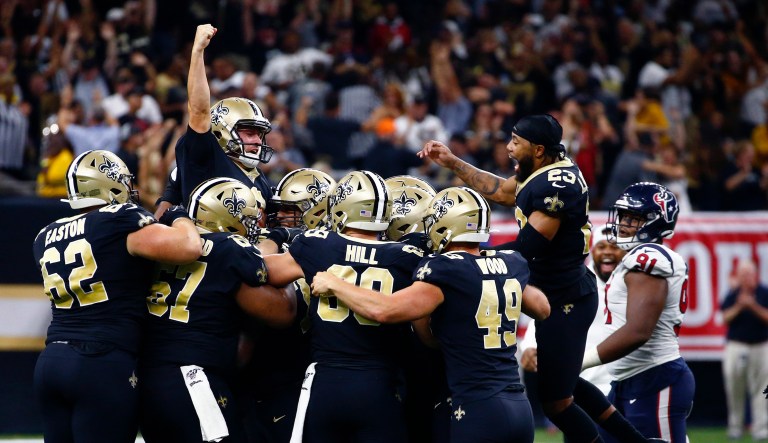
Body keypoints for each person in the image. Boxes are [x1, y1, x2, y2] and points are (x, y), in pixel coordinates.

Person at [310, 186, 551, 443]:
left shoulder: (444, 269)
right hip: (518, 403)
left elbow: (385, 310)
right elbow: (542, 308)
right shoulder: (508, 262)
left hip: (477, 407)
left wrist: (336, 284)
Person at [419, 114, 607, 442]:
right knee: (560, 392)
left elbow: (528, 246)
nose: (508, 147)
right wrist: (453, 163)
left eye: (516, 142)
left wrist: (468, 258)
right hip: (551, 290)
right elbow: (501, 191)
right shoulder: (541, 168)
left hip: (566, 295)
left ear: (537, 149)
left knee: (558, 401)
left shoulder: (555, 185)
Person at [32, 150, 202, 443]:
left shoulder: (44, 234)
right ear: (108, 184)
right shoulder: (120, 218)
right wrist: (180, 216)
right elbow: (188, 247)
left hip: (52, 359)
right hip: (101, 359)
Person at [263, 170, 422, 443]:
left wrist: (276, 237)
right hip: (380, 384)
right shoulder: (407, 256)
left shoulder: (316, 246)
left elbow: (263, 270)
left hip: (327, 382)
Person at [139, 177, 296, 443]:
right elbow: (282, 312)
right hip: (193, 378)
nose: (252, 227)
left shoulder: (165, 243)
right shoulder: (229, 248)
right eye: (248, 219)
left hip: (147, 374)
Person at [582, 182, 696, 442]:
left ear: (656, 222)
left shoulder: (647, 256)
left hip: (654, 378)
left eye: (633, 219)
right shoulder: (635, 257)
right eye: (623, 216)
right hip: (627, 381)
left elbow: (638, 331)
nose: (622, 224)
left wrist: (579, 361)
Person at [238, 168, 335, 443]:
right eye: (278, 209)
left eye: (290, 210)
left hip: (291, 374)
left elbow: (251, 267)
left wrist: (277, 239)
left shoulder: (316, 253)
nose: (279, 216)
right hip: (272, 376)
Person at [155, 24, 274, 218]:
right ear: (222, 132)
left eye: (260, 135)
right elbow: (199, 111)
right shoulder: (207, 156)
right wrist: (198, 52)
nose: (258, 141)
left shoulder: (259, 177)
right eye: (250, 133)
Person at [720, 259, 768, 441]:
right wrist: (741, 305)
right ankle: (735, 428)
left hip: (761, 346)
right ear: (738, 276)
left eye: (749, 274)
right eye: (742, 274)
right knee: (734, 388)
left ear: (755, 275)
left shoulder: (763, 292)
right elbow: (725, 318)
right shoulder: (733, 294)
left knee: (762, 390)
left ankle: (761, 429)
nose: (746, 278)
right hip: (736, 345)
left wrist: (753, 306)